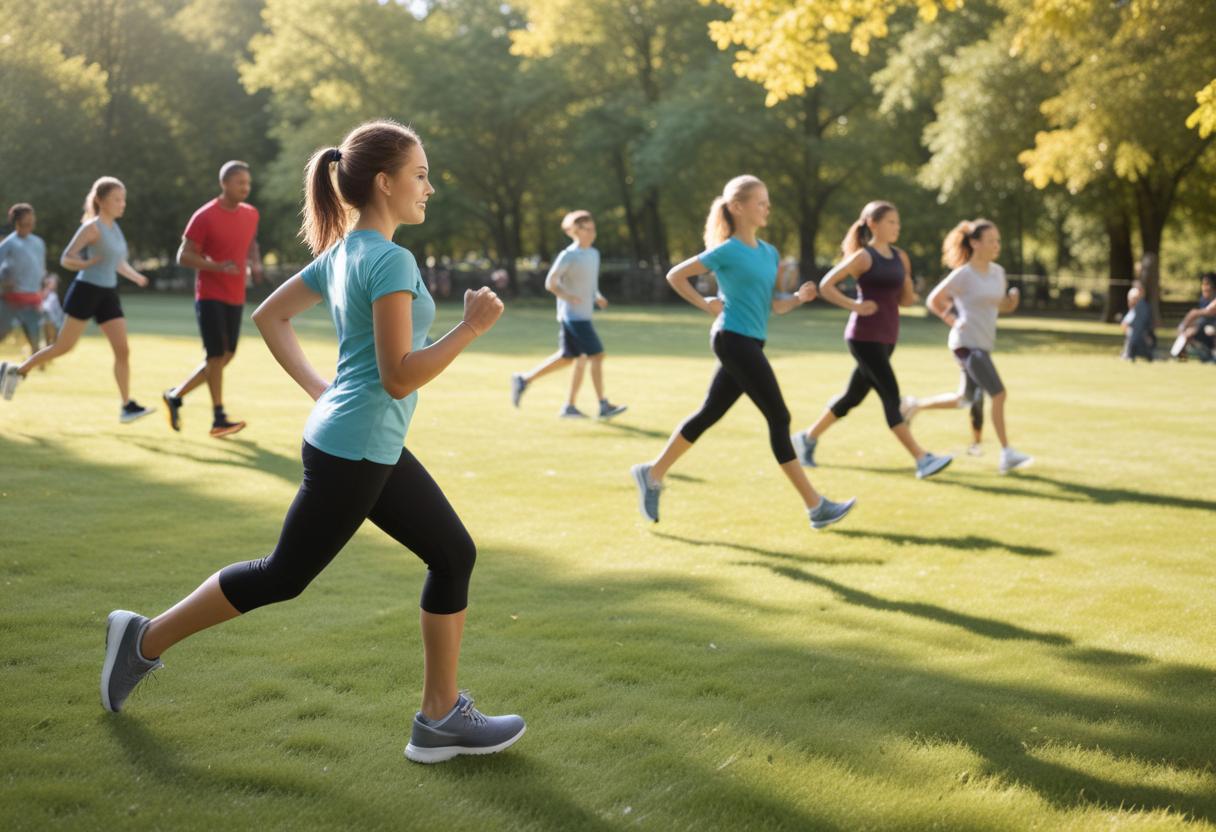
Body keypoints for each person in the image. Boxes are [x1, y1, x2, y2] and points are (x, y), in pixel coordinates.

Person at [97, 120, 525, 765]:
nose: (429, 188)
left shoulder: (348, 250)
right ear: (384, 182)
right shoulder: (387, 258)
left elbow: (271, 316)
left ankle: (439, 718)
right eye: (420, 174)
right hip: (353, 449)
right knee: (283, 575)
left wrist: (321, 390)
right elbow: (399, 373)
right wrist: (468, 328)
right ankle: (143, 639)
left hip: (362, 441)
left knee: (452, 553)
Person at [629, 175, 855, 529]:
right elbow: (677, 275)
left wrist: (798, 299)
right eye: (760, 202)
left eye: (767, 202)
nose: (767, 208)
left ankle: (652, 473)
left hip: (751, 339)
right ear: (738, 207)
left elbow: (773, 307)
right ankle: (816, 506)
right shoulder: (727, 250)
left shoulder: (769, 253)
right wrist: (706, 304)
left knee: (708, 414)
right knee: (779, 417)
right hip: (731, 338)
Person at [791, 201, 952, 479]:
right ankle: (922, 458)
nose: (896, 227)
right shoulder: (863, 257)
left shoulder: (901, 257)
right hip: (864, 336)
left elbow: (905, 300)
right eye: (891, 222)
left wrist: (909, 283)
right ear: (873, 224)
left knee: (852, 397)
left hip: (888, 335)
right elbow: (826, 285)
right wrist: (855, 305)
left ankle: (806, 438)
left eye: (898, 223)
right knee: (891, 396)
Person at [0, 178, 155, 419]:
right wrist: (86, 263)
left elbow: (117, 262)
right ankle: (16, 371)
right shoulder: (92, 228)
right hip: (86, 290)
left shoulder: (115, 227)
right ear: (102, 201)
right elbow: (66, 258)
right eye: (117, 199)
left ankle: (126, 406)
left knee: (122, 350)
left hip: (107, 292)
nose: (122, 203)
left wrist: (136, 277)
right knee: (63, 347)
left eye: (123, 199)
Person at [900, 219, 1033, 474]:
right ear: (974, 243)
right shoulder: (964, 274)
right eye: (991, 240)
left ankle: (914, 405)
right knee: (999, 393)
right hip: (966, 345)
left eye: (998, 240)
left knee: (964, 399)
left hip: (984, 342)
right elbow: (933, 300)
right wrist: (952, 320)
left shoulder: (998, 272)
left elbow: (1000, 305)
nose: (996, 245)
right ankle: (1007, 453)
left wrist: (1012, 302)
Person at [162, 161, 263, 438]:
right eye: (240, 182)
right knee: (215, 356)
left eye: (248, 183)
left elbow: (251, 242)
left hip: (235, 295)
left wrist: (255, 262)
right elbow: (183, 256)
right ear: (224, 184)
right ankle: (218, 418)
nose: (245, 187)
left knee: (226, 355)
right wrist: (217, 266)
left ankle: (176, 395)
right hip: (209, 295)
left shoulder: (251, 214)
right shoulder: (204, 216)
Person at [511, 210, 627, 419]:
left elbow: (591, 284)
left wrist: (597, 296)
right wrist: (568, 296)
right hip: (573, 317)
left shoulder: (594, 254)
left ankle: (529, 382)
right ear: (575, 231)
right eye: (587, 230)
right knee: (597, 355)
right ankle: (603, 405)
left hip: (584, 315)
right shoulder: (569, 255)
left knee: (570, 359)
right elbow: (550, 283)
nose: (592, 233)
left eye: (593, 229)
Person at [0, 203, 48, 357]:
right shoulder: (8, 244)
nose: (30, 222)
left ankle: (35, 365)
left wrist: (42, 288)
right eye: (26, 219)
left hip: (32, 298)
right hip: (11, 299)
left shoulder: (38, 243)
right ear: (16, 221)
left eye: (32, 219)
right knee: (2, 332)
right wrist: (4, 283)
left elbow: (40, 269)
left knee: (35, 337)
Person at [1169, 273, 1215, 361]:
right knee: (1188, 333)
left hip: (1212, 329)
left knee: (1206, 329)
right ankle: (1179, 355)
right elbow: (1201, 317)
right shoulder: (1203, 300)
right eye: (1203, 284)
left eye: (1207, 284)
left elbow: (1208, 312)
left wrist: (1195, 315)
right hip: (1204, 329)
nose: (1204, 287)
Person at [1121, 280, 1156, 362]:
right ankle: (1129, 353)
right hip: (1135, 334)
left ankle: (1131, 354)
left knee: (1135, 338)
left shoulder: (1143, 307)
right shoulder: (1134, 310)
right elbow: (1124, 325)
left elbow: (1145, 324)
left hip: (1141, 335)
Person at [41, 273, 65, 351]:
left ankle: (46, 356)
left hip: (53, 321)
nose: (54, 284)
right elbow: (46, 307)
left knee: (52, 340)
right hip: (48, 320)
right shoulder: (48, 294)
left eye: (55, 282)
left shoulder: (53, 295)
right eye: (52, 282)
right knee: (49, 340)